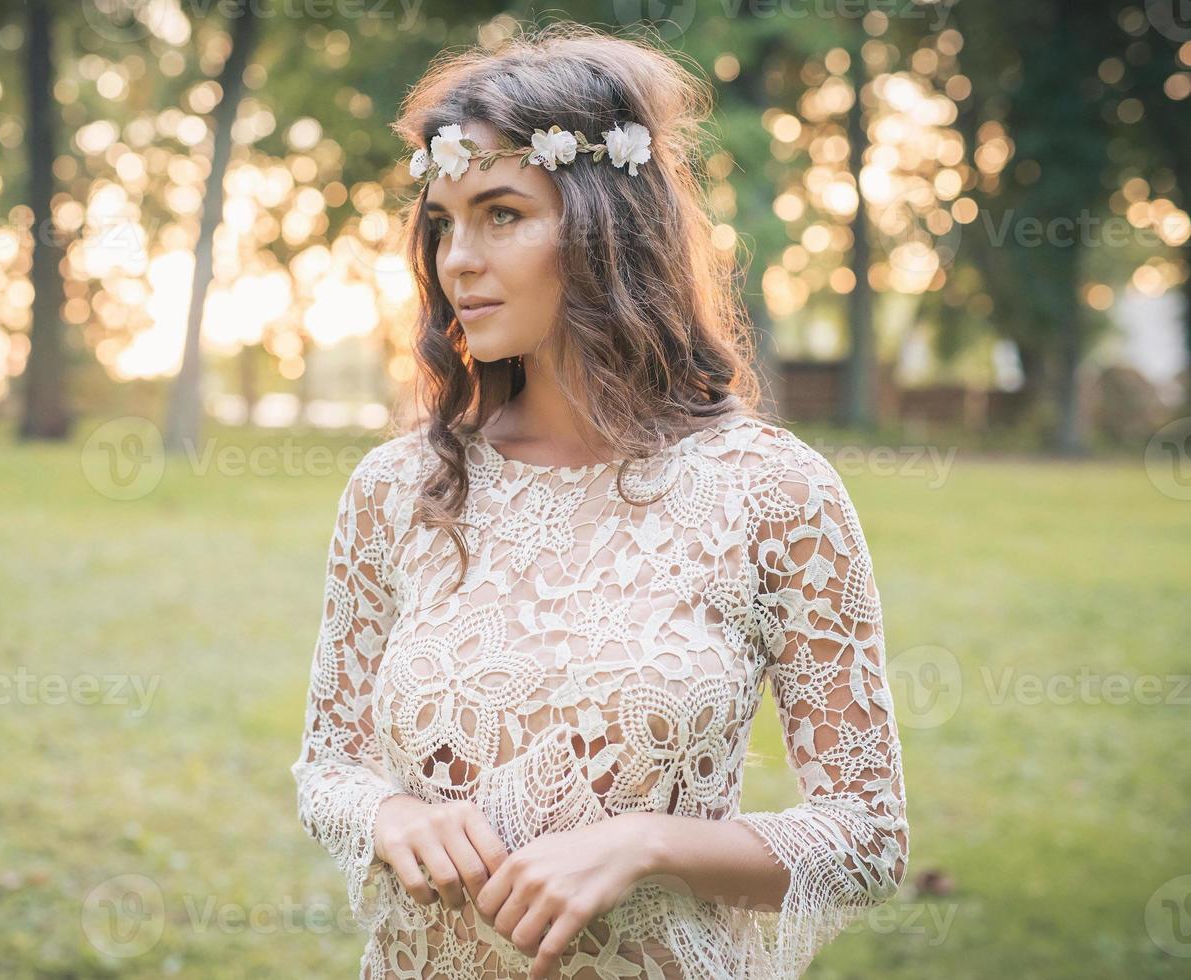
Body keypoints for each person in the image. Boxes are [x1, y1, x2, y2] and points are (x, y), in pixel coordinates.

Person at [291, 23, 908, 980]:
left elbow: (866, 837)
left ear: (605, 226)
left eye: (501, 214)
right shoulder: (398, 489)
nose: (457, 259)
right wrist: (390, 815)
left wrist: (644, 845)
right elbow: (328, 768)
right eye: (444, 222)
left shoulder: (773, 494)